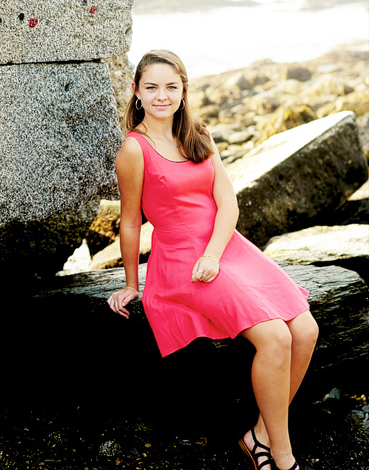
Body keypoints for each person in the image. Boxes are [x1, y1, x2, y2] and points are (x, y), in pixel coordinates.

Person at [106, 50, 318, 470]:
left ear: (184, 91)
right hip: (181, 260)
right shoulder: (134, 150)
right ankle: (282, 454)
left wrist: (215, 253)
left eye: (171, 87)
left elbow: (228, 204)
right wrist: (133, 283)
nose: (161, 96)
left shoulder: (197, 134)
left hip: (224, 248)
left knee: (306, 329)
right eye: (151, 87)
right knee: (275, 337)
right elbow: (130, 223)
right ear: (136, 92)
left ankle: (258, 433)